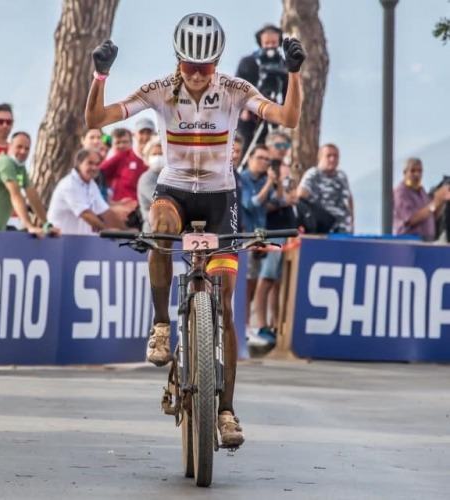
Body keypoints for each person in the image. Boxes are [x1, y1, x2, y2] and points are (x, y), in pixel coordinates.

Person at [85, 12, 305, 447]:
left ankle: (225, 411)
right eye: (190, 66)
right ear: (178, 59)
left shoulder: (235, 89)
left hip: (221, 199)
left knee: (223, 306)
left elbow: (290, 118)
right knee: (160, 227)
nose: (199, 75)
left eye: (206, 67)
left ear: (218, 60)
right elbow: (97, 120)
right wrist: (100, 75)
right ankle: (162, 324)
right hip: (175, 191)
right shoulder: (160, 89)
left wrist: (294, 73)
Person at [0, 131, 60, 237]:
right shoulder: (5, 163)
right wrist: (30, 226)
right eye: (19, 147)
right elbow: (15, 195)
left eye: (27, 149)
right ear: (10, 146)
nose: (23, 151)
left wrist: (47, 224)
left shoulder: (20, 168)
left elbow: (32, 195)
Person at [240, 145, 285, 346]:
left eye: (267, 159)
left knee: (255, 279)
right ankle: (244, 326)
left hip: (261, 236)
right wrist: (268, 184)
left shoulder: (264, 180)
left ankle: (250, 327)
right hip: (246, 235)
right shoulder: (244, 178)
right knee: (248, 284)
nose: (264, 162)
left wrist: (278, 183)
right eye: (260, 158)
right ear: (250, 159)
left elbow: (278, 200)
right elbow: (252, 203)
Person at [47, 147, 137, 234]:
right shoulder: (69, 184)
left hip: (80, 241)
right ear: (79, 164)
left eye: (97, 164)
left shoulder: (91, 184)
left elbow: (106, 212)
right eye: (90, 163)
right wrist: (106, 230)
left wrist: (125, 231)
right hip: (61, 240)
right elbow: (86, 214)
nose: (94, 167)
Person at [235, 24, 289, 157]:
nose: (270, 46)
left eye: (274, 43)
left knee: (273, 145)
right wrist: (243, 110)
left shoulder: (284, 65)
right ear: (260, 43)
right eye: (267, 43)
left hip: (272, 112)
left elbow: (288, 92)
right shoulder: (248, 62)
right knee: (245, 145)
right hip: (249, 115)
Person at [297, 143, 354, 234]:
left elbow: (349, 200)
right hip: (324, 231)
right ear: (320, 157)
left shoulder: (342, 176)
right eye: (328, 156)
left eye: (335, 156)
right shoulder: (313, 174)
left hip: (344, 230)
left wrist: (352, 224)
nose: (332, 159)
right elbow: (300, 197)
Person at [393, 157, 450, 241]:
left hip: (426, 242)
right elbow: (411, 218)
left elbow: (431, 215)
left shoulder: (421, 191)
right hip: (409, 243)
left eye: (419, 171)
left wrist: (442, 201)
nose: (417, 174)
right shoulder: (401, 191)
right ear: (405, 173)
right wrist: (435, 203)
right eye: (413, 171)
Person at [137, 137, 165, 232]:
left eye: (161, 154)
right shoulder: (146, 179)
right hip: (152, 231)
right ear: (147, 157)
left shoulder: (169, 176)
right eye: (154, 154)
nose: (157, 158)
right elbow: (162, 201)